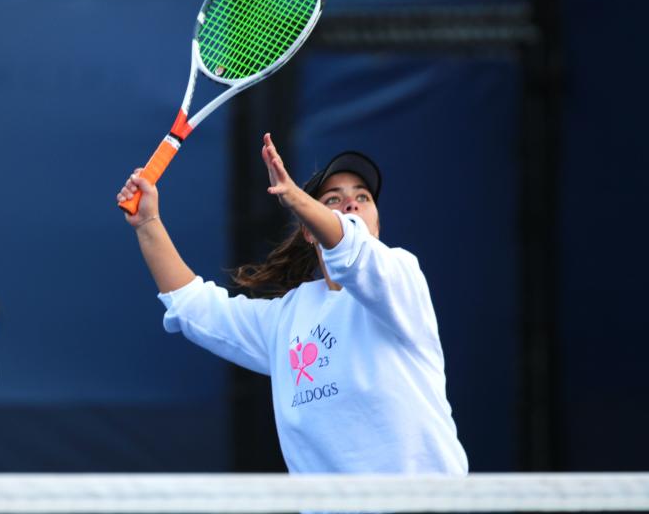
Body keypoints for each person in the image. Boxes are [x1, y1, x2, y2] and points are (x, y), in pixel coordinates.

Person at [116, 133, 467, 474]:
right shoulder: (287, 318)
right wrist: (148, 223)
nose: (351, 203)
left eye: (363, 197)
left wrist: (296, 197)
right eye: (333, 198)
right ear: (309, 230)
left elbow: (353, 251)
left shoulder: (402, 278)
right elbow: (194, 308)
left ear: (376, 225)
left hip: (426, 504)